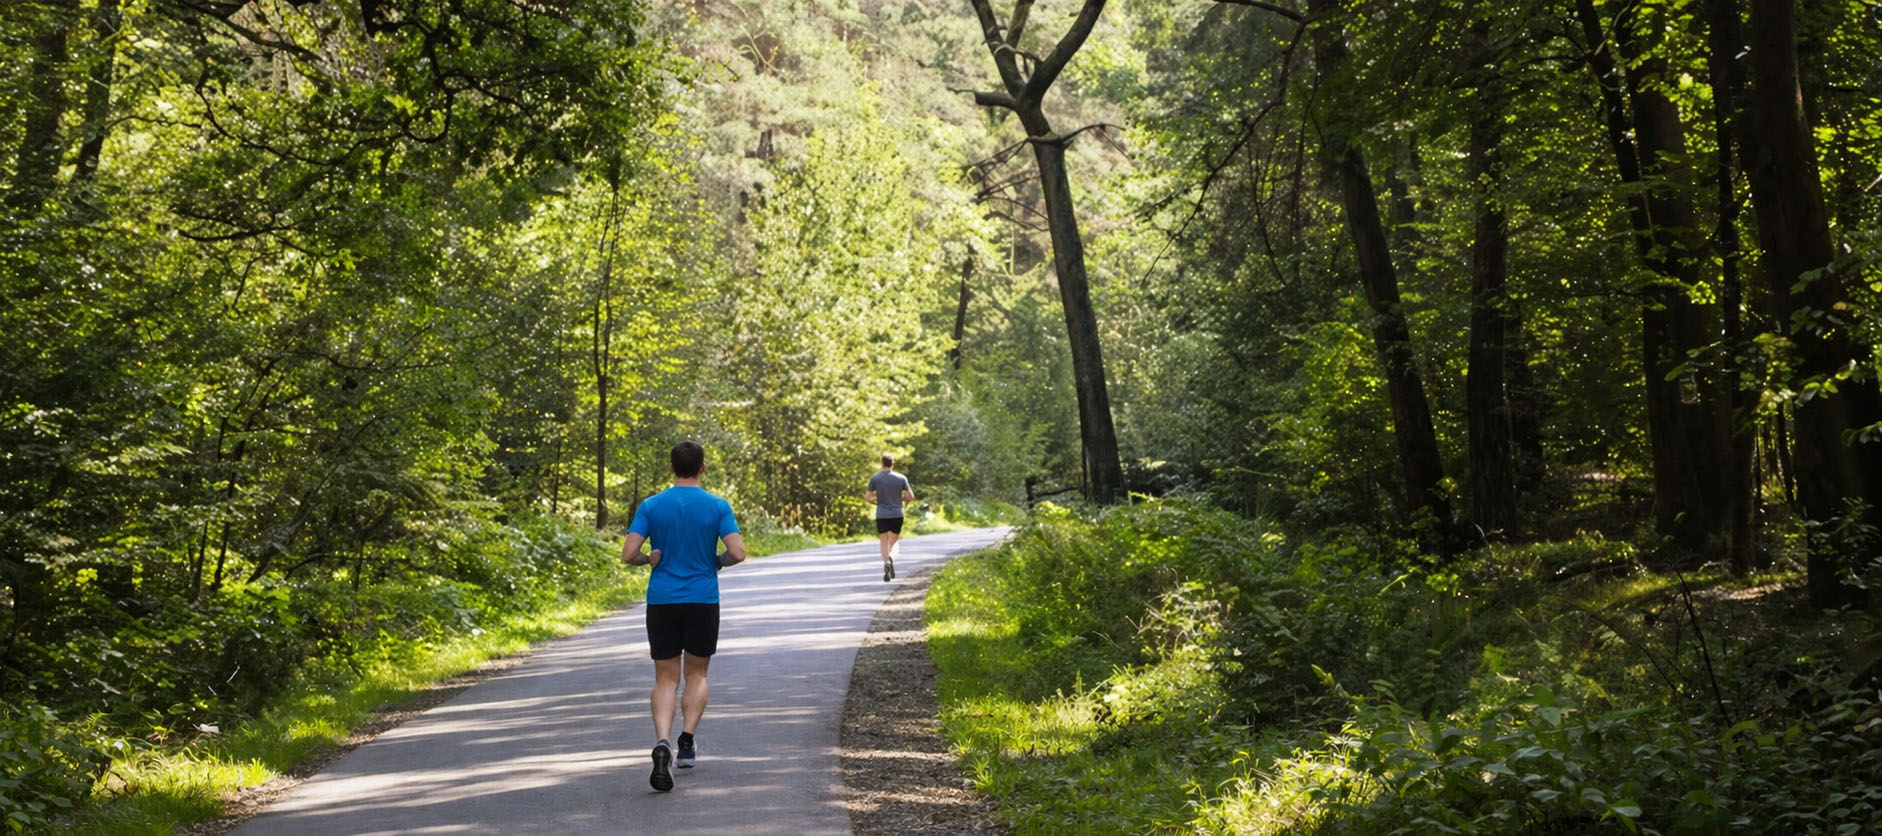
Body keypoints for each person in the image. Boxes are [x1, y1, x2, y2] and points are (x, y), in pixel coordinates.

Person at [621, 440, 746, 792]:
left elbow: (629, 553)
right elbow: (737, 552)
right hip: (702, 599)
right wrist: (716, 561)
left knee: (665, 678)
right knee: (697, 673)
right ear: (703, 467)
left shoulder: (651, 505)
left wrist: (649, 559)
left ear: (671, 468)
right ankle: (686, 741)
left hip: (662, 600)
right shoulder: (718, 506)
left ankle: (662, 742)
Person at [863, 453, 914, 582]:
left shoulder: (875, 479)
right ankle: (891, 557)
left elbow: (868, 498)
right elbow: (910, 497)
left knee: (884, 541)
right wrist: (904, 502)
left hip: (882, 514)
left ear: (882, 463)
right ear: (893, 463)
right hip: (897, 513)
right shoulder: (901, 478)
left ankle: (886, 562)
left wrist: (877, 502)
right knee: (894, 541)